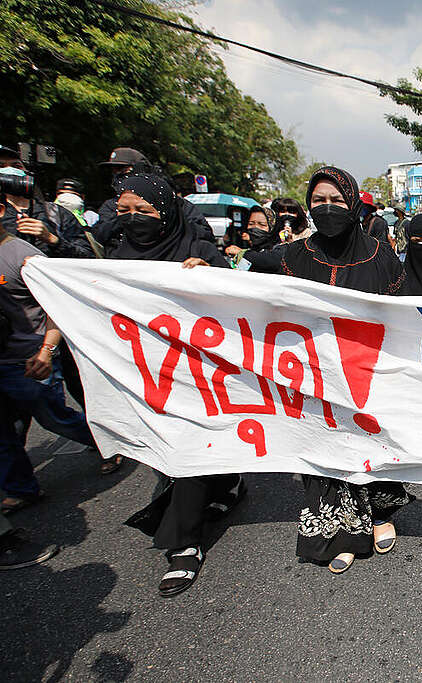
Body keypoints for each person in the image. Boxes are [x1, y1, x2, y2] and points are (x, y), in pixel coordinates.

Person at [111, 174, 245, 597]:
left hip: (199, 371)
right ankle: (227, 484)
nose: (133, 219)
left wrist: (210, 277)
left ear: (165, 211)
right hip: (145, 371)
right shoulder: (114, 258)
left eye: (143, 210)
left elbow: (239, 302)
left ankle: (183, 544)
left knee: (190, 448)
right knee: (163, 448)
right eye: (123, 211)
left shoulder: (198, 249)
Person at [278, 166, 412, 575]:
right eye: (319, 201)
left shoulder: (378, 254)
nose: (328, 208)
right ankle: (341, 531)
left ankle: (380, 512)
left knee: (369, 441)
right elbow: (243, 285)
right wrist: (196, 270)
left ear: (352, 203)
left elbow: (404, 313)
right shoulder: (292, 257)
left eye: (337, 200)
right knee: (326, 450)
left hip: (366, 369)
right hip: (313, 373)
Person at [1, 197, 108, 514]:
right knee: (4, 432)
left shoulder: (24, 256)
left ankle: (109, 441)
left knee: (54, 418)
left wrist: (47, 349)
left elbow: (56, 305)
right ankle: (21, 487)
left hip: (29, 358)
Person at [91, 147, 214, 247]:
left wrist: (170, 223)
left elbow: (205, 235)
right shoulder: (111, 206)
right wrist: (125, 218)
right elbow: (100, 236)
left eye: (122, 169)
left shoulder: (176, 204)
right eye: (113, 171)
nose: (117, 175)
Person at [0, 146, 94, 260]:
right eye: (1, 166)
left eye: (16, 166)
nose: (9, 170)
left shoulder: (56, 213)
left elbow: (87, 258)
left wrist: (52, 240)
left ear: (27, 172)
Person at [225, 205, 282, 272]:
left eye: (262, 225)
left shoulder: (280, 248)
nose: (255, 228)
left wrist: (242, 253)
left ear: (273, 228)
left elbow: (270, 261)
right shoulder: (251, 247)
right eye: (251, 224)